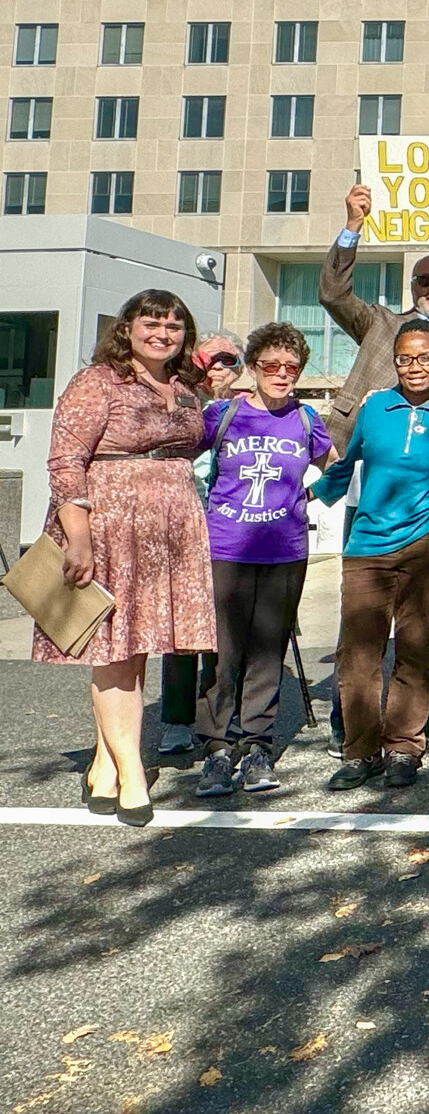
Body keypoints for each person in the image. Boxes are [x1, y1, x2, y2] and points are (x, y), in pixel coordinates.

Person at [319, 183, 429, 751]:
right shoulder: (381, 325)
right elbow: (333, 293)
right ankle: (356, 723)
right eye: (425, 281)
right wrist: (352, 226)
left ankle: (421, 717)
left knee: (426, 622)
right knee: (365, 618)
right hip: (373, 490)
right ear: (412, 287)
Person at [43, 290, 215, 826]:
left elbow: (190, 448)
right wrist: (78, 537)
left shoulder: (186, 388)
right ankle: (133, 773)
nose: (163, 333)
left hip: (172, 527)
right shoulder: (96, 381)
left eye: (174, 325)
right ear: (128, 329)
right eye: (152, 323)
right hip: (112, 525)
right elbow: (65, 461)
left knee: (138, 650)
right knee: (116, 651)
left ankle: (104, 764)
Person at [311, 318, 429, 790]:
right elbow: (346, 467)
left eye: (426, 357)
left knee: (418, 648)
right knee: (358, 652)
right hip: (368, 543)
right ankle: (360, 751)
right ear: (394, 362)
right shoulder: (376, 408)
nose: (415, 366)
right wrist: (303, 498)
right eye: (406, 358)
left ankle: (404, 745)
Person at [191, 322, 334, 799]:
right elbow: (182, 464)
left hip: (284, 551)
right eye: (270, 365)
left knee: (266, 650)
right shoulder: (223, 415)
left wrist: (307, 495)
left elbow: (337, 467)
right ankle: (215, 747)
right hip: (226, 546)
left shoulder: (307, 420)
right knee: (223, 650)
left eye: (291, 367)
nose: (281, 374)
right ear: (252, 368)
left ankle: (256, 744)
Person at [158, 329, 251, 756]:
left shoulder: (242, 409)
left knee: (224, 629)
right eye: (207, 359)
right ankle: (177, 719)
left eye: (228, 360)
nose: (217, 368)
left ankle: (217, 709)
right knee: (180, 629)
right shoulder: (177, 402)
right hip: (179, 525)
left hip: (227, 529)